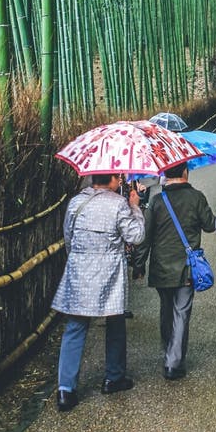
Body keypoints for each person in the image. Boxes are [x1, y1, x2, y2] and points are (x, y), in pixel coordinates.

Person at [52, 173, 145, 412]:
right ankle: (113, 378)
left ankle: (65, 389)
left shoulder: (75, 202)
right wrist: (135, 207)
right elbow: (135, 236)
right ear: (113, 178)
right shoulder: (118, 204)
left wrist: (80, 257)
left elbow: (68, 237)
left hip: (79, 268)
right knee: (114, 322)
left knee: (75, 326)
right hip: (109, 270)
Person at [133, 162, 215, 379]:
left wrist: (139, 265)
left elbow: (145, 237)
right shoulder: (196, 197)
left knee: (166, 311)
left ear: (165, 175)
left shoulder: (157, 201)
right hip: (186, 269)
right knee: (181, 313)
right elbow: (210, 225)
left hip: (161, 267)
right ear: (185, 172)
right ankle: (173, 361)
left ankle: (169, 352)